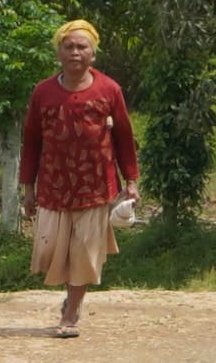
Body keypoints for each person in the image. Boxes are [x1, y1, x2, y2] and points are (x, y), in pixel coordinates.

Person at [17, 20, 140, 339]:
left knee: (84, 252)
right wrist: (28, 187)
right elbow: (31, 140)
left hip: (95, 185)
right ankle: (71, 298)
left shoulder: (109, 90)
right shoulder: (43, 92)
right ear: (59, 53)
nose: (75, 52)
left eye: (81, 47)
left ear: (93, 54)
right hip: (53, 185)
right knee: (50, 252)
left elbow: (124, 137)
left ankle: (71, 313)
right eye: (68, 46)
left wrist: (131, 181)